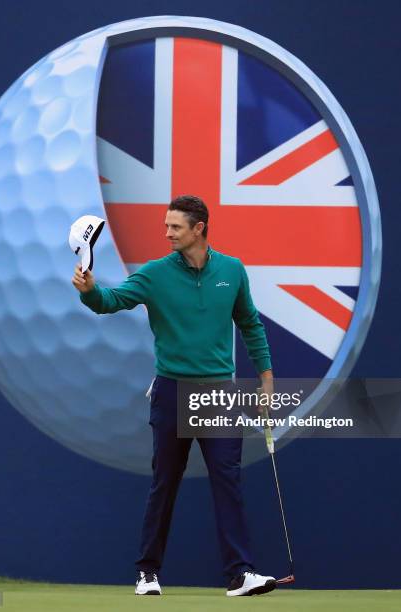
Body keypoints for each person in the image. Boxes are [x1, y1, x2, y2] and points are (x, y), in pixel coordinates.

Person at [72, 195, 276, 597]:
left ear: (199, 228)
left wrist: (266, 379)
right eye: (166, 226)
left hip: (219, 393)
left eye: (175, 227)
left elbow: (250, 324)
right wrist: (91, 291)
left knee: (227, 481)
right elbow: (111, 302)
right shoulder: (155, 274)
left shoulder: (232, 271)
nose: (166, 233)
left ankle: (240, 574)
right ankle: (147, 572)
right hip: (172, 391)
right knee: (165, 483)